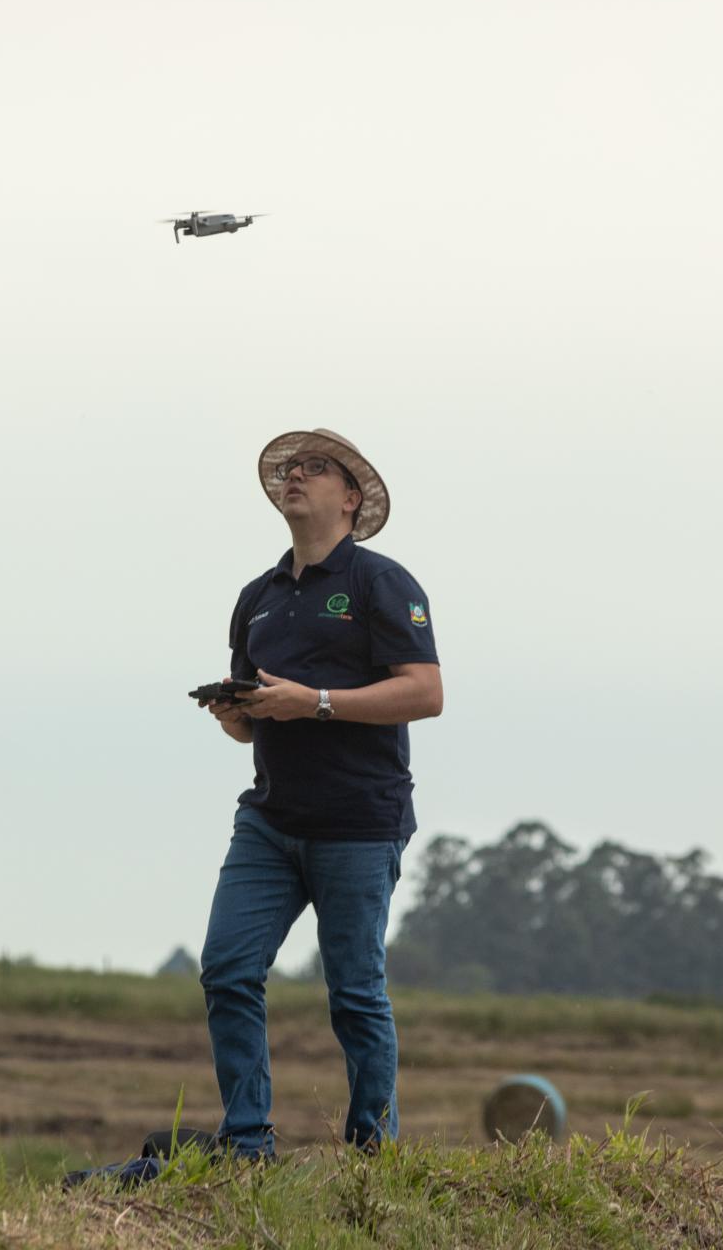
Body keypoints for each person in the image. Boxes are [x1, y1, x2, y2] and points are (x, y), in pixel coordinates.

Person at [195, 428, 443, 1159]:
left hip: (359, 824)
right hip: (270, 823)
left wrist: (318, 702)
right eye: (288, 470)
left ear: (351, 497)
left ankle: (373, 1153)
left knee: (356, 995)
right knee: (228, 967)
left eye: (315, 468)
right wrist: (237, 716)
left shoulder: (380, 583)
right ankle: (246, 1143)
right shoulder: (257, 598)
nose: (294, 476)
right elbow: (254, 728)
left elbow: (425, 692)